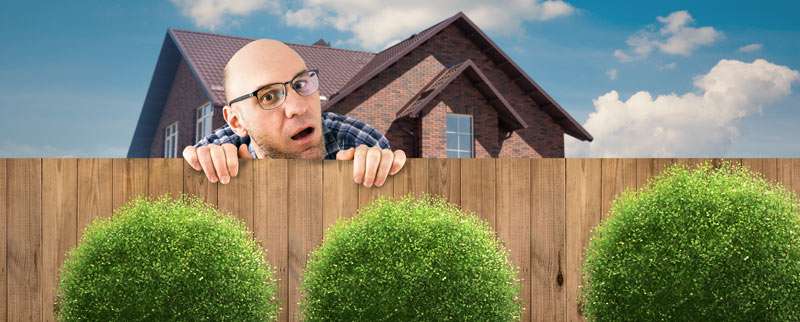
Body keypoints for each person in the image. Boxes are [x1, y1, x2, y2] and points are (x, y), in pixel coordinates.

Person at [183, 39, 406, 187]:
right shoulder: (216, 153)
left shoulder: (359, 142)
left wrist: (381, 178)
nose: (298, 108)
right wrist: (202, 178)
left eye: (300, 84)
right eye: (268, 96)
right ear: (236, 121)